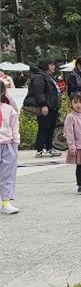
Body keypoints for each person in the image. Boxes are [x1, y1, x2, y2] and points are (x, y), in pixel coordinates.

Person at [26, 59, 62, 158]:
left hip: (52, 107)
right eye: (51, 65)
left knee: (50, 128)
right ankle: (40, 149)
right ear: (45, 66)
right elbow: (39, 92)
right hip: (46, 106)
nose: (53, 67)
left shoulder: (49, 77)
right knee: (44, 128)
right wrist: (43, 105)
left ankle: (49, 148)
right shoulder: (39, 77)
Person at [0, 80, 20, 214]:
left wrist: (15, 142)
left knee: (7, 175)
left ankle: (6, 201)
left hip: (7, 145)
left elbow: (14, 126)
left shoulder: (8, 109)